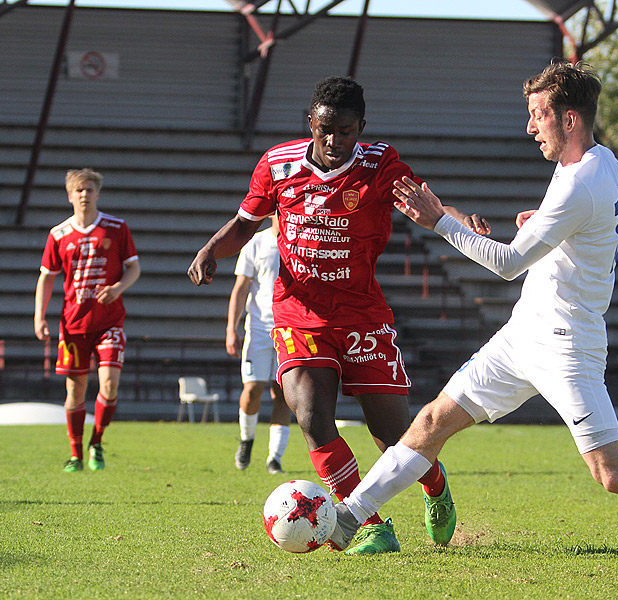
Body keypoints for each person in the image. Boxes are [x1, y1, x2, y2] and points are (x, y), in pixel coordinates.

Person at [327, 60, 618, 562]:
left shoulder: (577, 186)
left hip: (568, 345)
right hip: (523, 335)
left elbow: (506, 263)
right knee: (432, 420)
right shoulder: (604, 164)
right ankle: (349, 516)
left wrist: (439, 221)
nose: (529, 127)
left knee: (616, 475)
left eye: (538, 114)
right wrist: (554, 223)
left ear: (570, 119)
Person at [188, 76, 489, 555]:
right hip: (298, 315)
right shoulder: (277, 164)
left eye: (345, 131)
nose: (333, 141)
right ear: (311, 122)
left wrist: (459, 219)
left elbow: (426, 205)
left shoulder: (380, 164)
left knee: (394, 436)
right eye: (324, 129)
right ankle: (368, 524)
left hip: (363, 316)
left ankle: (434, 485)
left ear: (361, 128)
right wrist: (210, 250)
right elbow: (245, 223)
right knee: (310, 414)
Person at [34, 168, 140, 473]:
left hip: (110, 322)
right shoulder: (58, 234)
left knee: (109, 383)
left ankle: (97, 443)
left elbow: (134, 268)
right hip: (73, 324)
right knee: (75, 390)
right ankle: (76, 454)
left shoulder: (116, 228)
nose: (84, 195)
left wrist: (118, 287)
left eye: (89, 190)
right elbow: (46, 278)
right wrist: (39, 316)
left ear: (97, 193)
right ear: (70, 195)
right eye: (78, 190)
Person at [227, 215, 291, 474]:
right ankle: (246, 439)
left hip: (291, 329)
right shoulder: (255, 243)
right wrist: (231, 328)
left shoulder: (300, 241)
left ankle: (274, 457)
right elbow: (240, 288)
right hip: (259, 328)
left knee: (284, 394)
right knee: (252, 389)